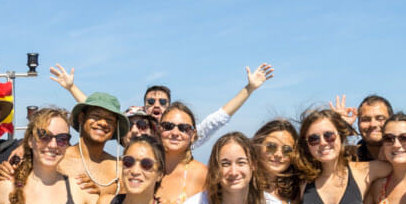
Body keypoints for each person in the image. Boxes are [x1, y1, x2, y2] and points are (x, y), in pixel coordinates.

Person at [49, 63, 275, 147]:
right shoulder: (131, 133)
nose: (156, 105)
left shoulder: (181, 137)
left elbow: (218, 118)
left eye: (162, 102)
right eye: (151, 102)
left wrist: (249, 89)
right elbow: (102, 116)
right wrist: (72, 88)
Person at [62, 92, 128, 198]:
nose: (103, 123)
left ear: (115, 127)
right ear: (82, 118)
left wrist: (101, 196)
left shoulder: (120, 169)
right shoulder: (60, 159)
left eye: (109, 120)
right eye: (96, 116)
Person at [154, 101, 209, 204]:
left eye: (183, 128)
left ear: (193, 135)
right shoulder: (145, 168)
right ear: (159, 130)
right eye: (168, 126)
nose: (175, 133)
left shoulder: (204, 175)